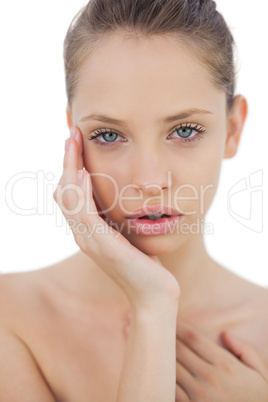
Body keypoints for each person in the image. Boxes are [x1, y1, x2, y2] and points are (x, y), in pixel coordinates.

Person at [0, 0, 268, 400]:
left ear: (233, 128)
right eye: (108, 135)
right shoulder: (11, 316)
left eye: (185, 130)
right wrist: (152, 305)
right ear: (73, 137)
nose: (148, 182)